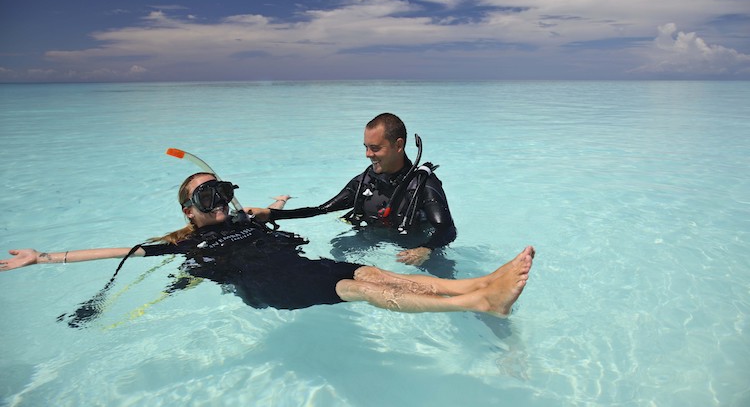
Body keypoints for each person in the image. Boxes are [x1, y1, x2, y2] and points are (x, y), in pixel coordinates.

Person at [1, 172, 534, 320]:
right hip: (270, 285)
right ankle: (475, 302)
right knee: (359, 287)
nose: (221, 202)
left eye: (223, 192)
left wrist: (273, 203)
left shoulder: (242, 216)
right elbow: (121, 252)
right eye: (207, 197)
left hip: (296, 263)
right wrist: (44, 257)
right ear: (189, 211)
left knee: (373, 277)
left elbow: (259, 211)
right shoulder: (187, 240)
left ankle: (481, 286)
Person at [252, 113, 456, 267]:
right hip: (374, 236)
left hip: (415, 244)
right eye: (365, 147)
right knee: (339, 247)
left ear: (398, 145)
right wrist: (271, 214)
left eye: (375, 148)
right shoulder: (365, 182)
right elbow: (321, 209)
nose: (368, 154)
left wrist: (426, 249)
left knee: (443, 278)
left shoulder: (423, 185)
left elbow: (446, 230)